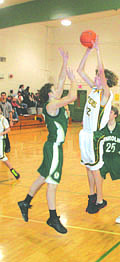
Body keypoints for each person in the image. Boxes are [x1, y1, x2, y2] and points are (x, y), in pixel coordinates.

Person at [17, 48, 77, 234]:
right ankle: (52, 217)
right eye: (55, 90)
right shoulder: (52, 105)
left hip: (51, 147)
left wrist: (64, 62)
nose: (58, 89)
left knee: (43, 177)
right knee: (52, 183)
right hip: (54, 148)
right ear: (50, 94)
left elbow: (59, 81)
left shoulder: (52, 101)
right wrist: (73, 79)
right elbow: (73, 96)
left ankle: (25, 202)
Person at [77, 36, 118, 214]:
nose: (95, 77)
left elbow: (101, 71)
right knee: (88, 166)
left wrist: (98, 50)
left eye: (98, 76)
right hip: (85, 133)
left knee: (95, 169)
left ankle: (100, 200)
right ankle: (92, 195)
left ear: (104, 81)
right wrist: (87, 51)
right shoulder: (94, 89)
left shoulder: (106, 94)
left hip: (95, 135)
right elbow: (80, 69)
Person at [0, 105, 20, 179]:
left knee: (2, 156)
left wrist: (1, 133)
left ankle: (13, 171)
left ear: (1, 111)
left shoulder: (3, 119)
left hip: (1, 140)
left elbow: (8, 129)